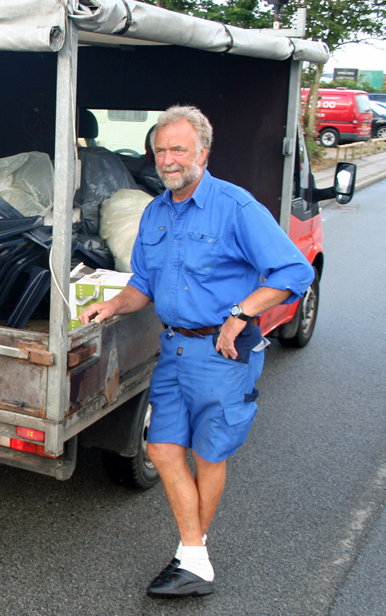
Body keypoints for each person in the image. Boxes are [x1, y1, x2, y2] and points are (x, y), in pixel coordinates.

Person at [79, 106, 314, 598]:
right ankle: (195, 553)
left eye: (178, 149)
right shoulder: (156, 212)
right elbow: (143, 283)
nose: (168, 159)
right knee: (164, 449)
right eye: (161, 150)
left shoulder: (236, 206)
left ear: (203, 153)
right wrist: (111, 306)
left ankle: (192, 557)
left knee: (208, 455)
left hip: (222, 353)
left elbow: (294, 272)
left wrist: (242, 312)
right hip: (176, 348)